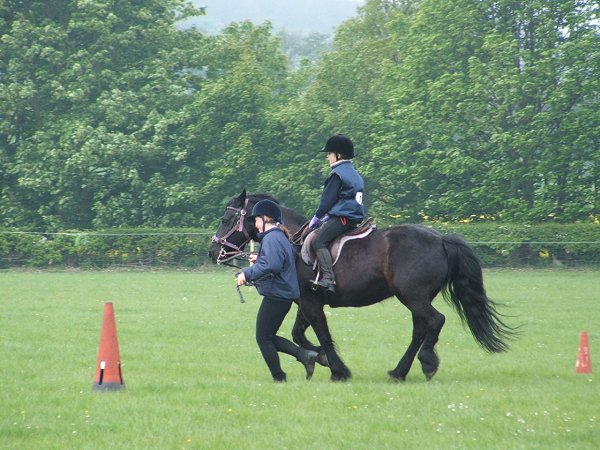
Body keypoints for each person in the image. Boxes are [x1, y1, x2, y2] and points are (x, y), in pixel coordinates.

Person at [236, 199, 318, 382]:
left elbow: (272, 265)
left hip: (277, 295)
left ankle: (279, 378)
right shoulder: (277, 236)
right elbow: (278, 260)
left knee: (263, 338)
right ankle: (305, 356)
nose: (255, 224)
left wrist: (246, 274)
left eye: (256, 219)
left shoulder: (272, 237)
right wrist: (260, 259)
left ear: (266, 219)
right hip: (281, 295)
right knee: (267, 336)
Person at [308, 134, 365, 294]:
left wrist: (317, 218)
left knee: (318, 241)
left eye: (329, 154)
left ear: (338, 155)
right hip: (352, 218)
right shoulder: (354, 174)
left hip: (342, 219)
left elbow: (326, 201)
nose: (328, 158)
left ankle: (328, 279)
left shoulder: (337, 174)